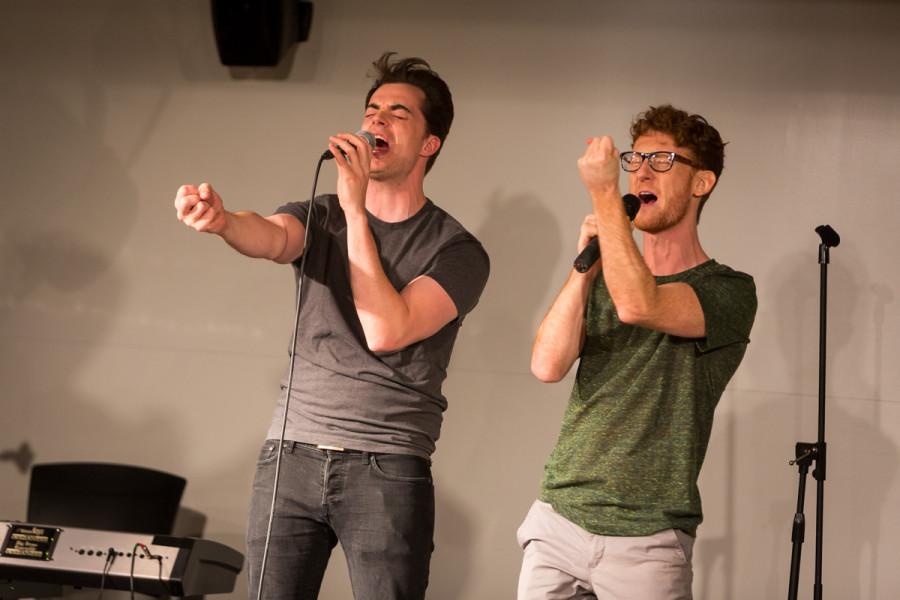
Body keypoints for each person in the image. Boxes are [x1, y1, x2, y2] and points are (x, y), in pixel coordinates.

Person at [174, 52, 489, 600]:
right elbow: (272, 236)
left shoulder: (457, 251)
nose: (377, 121)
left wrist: (356, 210)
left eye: (398, 113)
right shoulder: (320, 213)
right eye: (372, 109)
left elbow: (388, 330)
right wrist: (223, 222)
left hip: (386, 465)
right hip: (290, 457)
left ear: (430, 144)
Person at [518, 105, 757, 600]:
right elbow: (546, 365)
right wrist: (584, 268)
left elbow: (639, 304)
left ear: (702, 183)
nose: (641, 172)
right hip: (559, 516)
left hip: (647, 537)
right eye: (635, 161)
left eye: (664, 160)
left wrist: (605, 195)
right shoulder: (606, 273)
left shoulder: (728, 289)